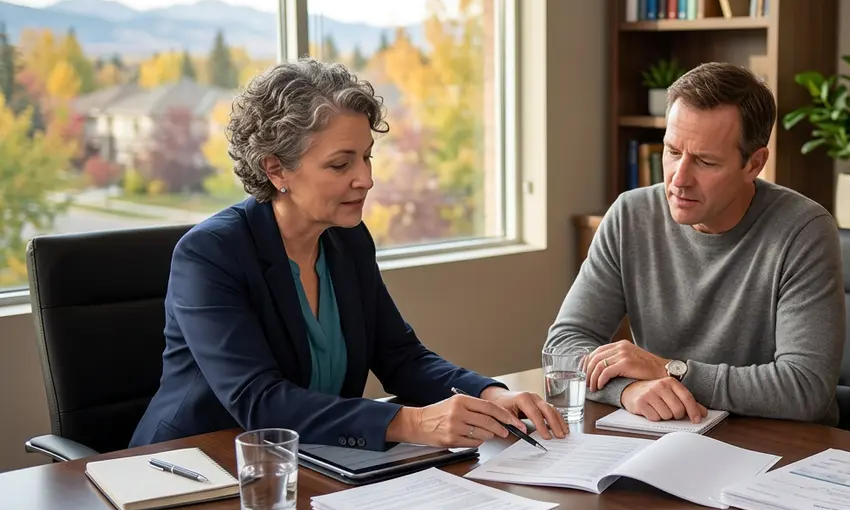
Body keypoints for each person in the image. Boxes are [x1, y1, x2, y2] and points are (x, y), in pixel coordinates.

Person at [131, 59, 567, 451]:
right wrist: (412, 422)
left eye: (367, 158)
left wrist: (491, 396)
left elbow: (401, 357)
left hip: (308, 463)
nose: (366, 180)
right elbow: (259, 401)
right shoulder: (210, 254)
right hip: (193, 471)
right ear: (276, 169)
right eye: (341, 165)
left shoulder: (347, 240)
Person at [544, 62, 845, 425]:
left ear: (754, 163)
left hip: (777, 447)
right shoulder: (630, 215)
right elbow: (564, 344)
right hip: (667, 435)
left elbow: (804, 388)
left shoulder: (803, 230)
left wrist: (671, 371)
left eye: (705, 161)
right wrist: (627, 390)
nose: (679, 179)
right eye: (672, 151)